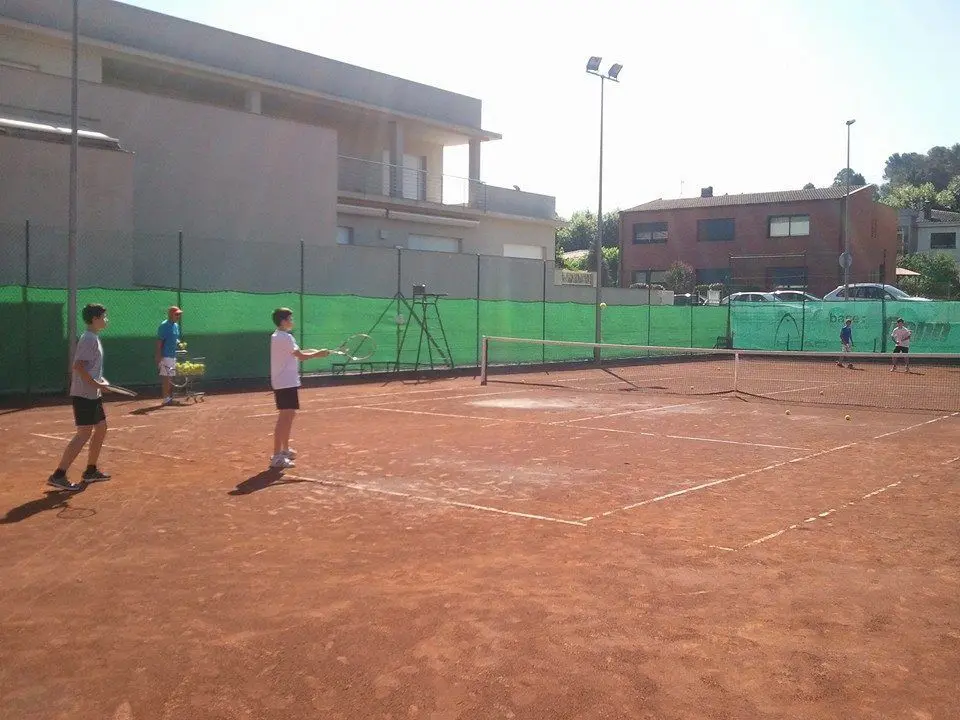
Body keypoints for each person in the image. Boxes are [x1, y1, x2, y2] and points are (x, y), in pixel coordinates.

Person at [47, 303, 112, 491]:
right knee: (83, 434)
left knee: (101, 428)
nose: (106, 320)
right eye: (104, 317)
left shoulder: (94, 338)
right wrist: (97, 384)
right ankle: (58, 475)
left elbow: (91, 368)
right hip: (84, 394)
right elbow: (79, 366)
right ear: (95, 319)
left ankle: (90, 471)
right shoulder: (88, 339)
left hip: (93, 394)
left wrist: (101, 381)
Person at [269, 308, 328, 469]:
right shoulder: (284, 337)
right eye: (290, 318)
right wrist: (318, 355)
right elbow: (301, 356)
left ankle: (285, 450)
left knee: (289, 415)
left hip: (287, 381)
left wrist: (317, 351)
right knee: (284, 417)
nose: (292, 320)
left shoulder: (280, 336)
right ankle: (276, 456)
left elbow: (297, 353)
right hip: (285, 382)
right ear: (283, 321)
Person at [156, 306, 183, 406]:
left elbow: (175, 338)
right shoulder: (164, 326)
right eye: (176, 314)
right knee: (166, 378)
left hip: (172, 355)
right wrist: (159, 356)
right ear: (170, 314)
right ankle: (166, 398)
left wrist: (179, 343)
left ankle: (169, 397)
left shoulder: (175, 326)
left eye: (179, 314)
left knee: (170, 377)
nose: (178, 316)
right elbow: (159, 342)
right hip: (165, 355)